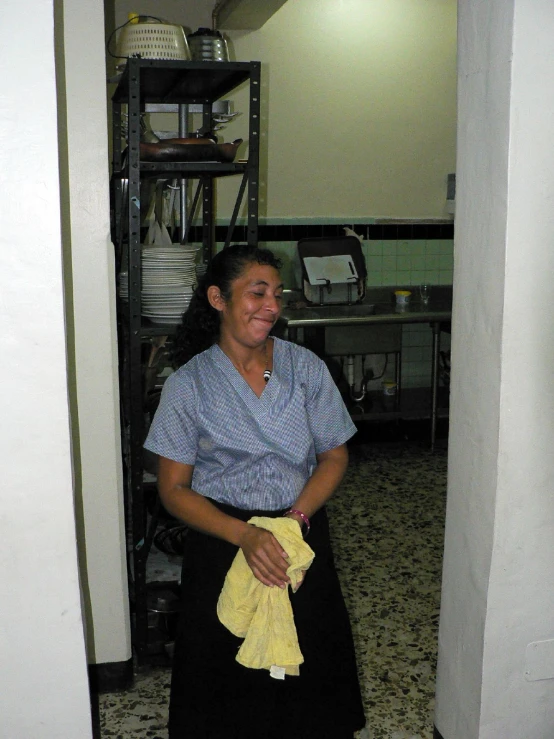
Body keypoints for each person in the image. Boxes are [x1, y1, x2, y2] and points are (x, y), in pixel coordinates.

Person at [144, 243, 366, 739]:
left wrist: (294, 523)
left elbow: (334, 455)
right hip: (223, 539)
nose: (272, 305)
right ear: (218, 299)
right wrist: (245, 536)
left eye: (277, 293)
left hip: (299, 532)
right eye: (257, 292)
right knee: (225, 680)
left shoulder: (305, 369)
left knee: (309, 666)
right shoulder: (190, 384)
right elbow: (175, 488)